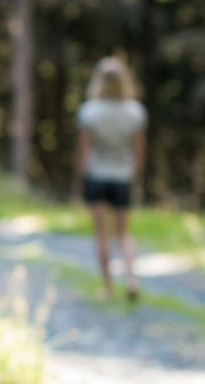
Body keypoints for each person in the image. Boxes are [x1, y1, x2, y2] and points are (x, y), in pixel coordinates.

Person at [75, 56, 147, 301]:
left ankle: (107, 288)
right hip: (123, 175)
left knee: (101, 234)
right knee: (123, 232)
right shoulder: (135, 112)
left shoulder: (89, 112)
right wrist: (135, 174)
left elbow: (85, 152)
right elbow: (138, 150)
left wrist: (81, 180)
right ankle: (131, 278)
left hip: (97, 175)